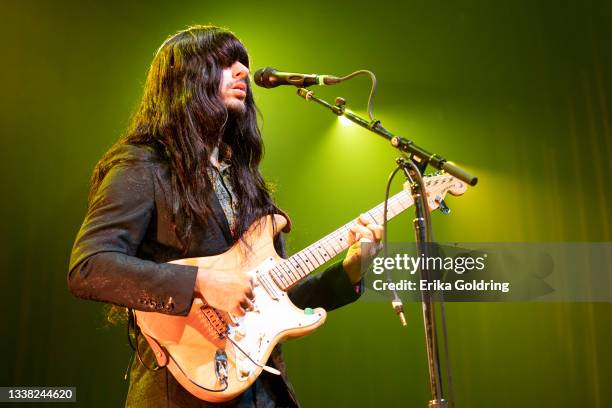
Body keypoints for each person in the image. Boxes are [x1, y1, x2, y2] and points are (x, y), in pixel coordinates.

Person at [68, 25, 382, 408]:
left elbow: (272, 299)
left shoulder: (245, 178)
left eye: (244, 64)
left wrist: (350, 271)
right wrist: (201, 281)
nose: (243, 73)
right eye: (226, 63)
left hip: (262, 390)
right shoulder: (143, 166)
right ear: (186, 78)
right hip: (180, 389)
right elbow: (90, 268)